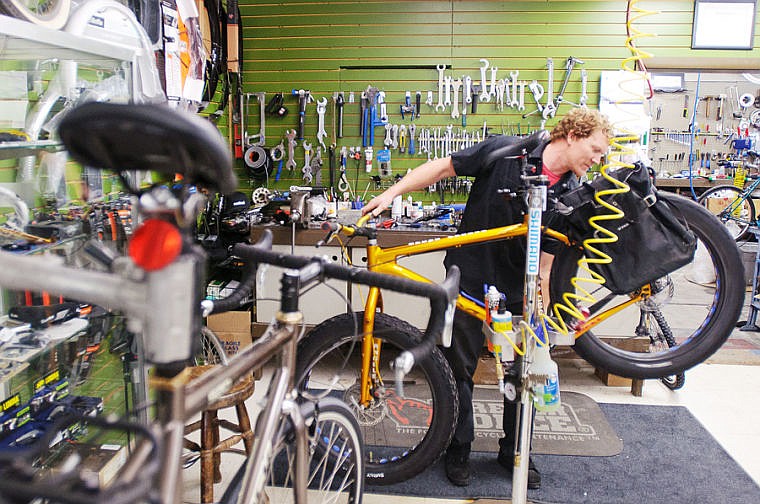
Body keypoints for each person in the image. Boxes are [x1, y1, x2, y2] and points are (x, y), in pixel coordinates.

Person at [361, 107, 613, 489]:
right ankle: (457, 448)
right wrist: (391, 193)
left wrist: (549, 301)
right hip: (468, 275)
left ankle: (516, 451)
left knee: (524, 371)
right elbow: (444, 166)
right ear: (573, 135)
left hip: (521, 288)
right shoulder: (505, 152)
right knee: (454, 367)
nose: (599, 159)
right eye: (595, 149)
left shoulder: (572, 194)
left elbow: (548, 262)